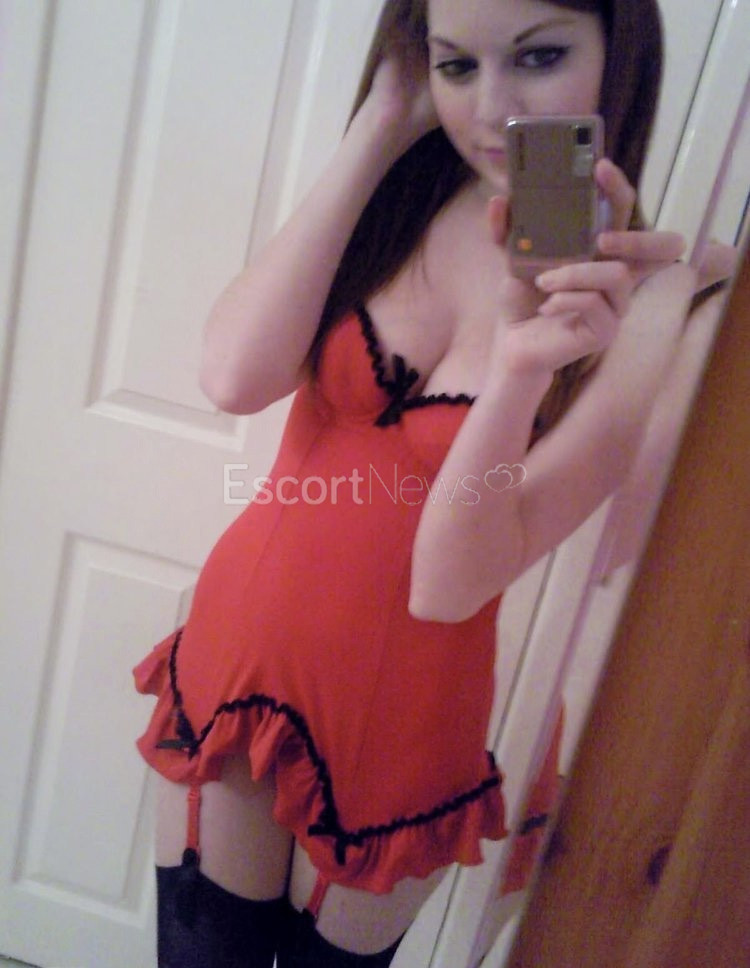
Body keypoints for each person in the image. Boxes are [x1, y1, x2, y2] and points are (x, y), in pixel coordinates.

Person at [133, 0, 704, 964]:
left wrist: (521, 369)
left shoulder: (649, 305)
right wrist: (379, 126)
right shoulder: (395, 200)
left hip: (404, 722)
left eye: (539, 56)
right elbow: (233, 378)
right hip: (243, 653)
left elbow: (449, 582)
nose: (492, 107)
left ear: (622, 52)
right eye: (457, 64)